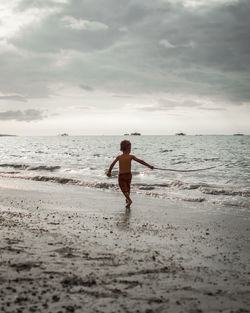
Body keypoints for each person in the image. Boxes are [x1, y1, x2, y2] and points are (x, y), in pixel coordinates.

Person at [107, 140, 154, 207]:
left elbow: (112, 164)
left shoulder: (119, 157)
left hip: (122, 175)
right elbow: (141, 161)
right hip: (129, 175)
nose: (130, 149)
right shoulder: (131, 156)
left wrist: (109, 172)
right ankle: (127, 199)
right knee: (128, 188)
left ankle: (129, 200)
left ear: (121, 149)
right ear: (128, 149)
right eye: (130, 148)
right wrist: (149, 166)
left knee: (123, 188)